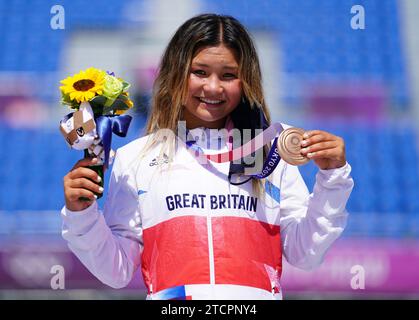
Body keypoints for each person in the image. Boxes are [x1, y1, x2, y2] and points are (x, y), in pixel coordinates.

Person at [62, 13, 354, 300]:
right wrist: (82, 215)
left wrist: (332, 179)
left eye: (228, 75)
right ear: (175, 73)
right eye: (199, 72)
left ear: (246, 80)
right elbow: (117, 271)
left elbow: (305, 254)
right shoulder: (136, 158)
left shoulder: (270, 152)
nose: (213, 87)